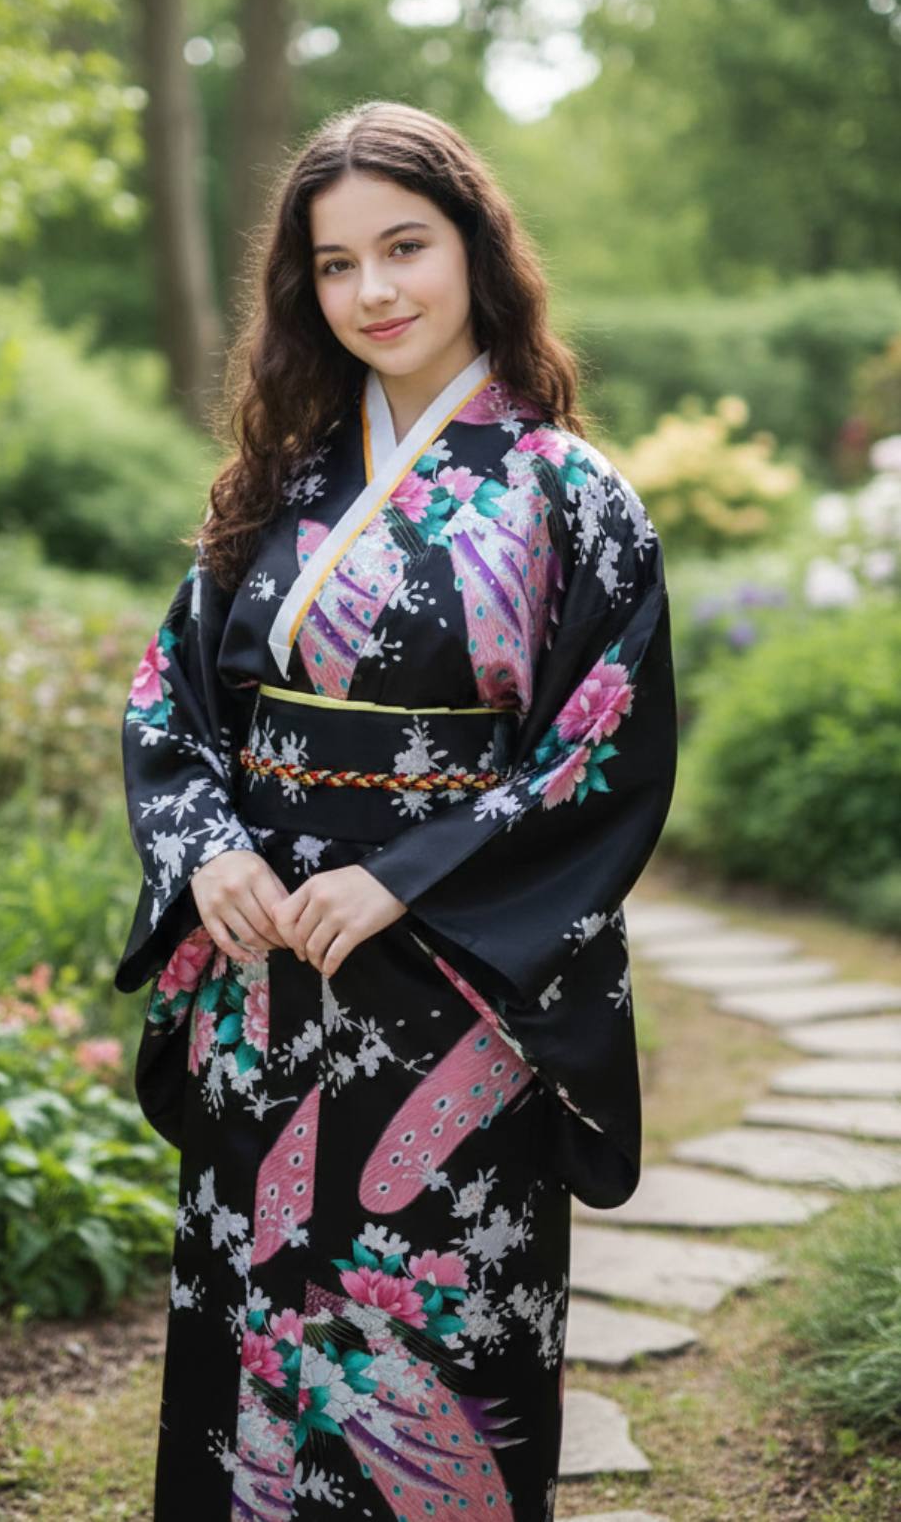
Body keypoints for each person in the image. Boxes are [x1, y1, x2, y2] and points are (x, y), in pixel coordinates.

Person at [114, 99, 678, 1522]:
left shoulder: (572, 495)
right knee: (250, 1310)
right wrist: (206, 853)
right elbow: (169, 704)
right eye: (334, 263)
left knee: (433, 1320)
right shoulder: (276, 484)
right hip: (264, 960)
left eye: (404, 247)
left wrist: (410, 879)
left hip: (451, 995)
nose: (372, 290)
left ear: (476, 250)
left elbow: (598, 753)